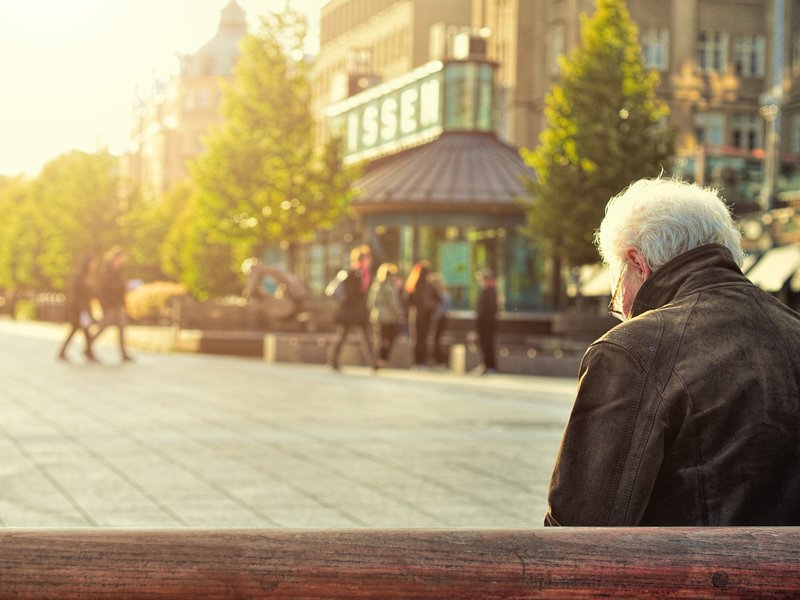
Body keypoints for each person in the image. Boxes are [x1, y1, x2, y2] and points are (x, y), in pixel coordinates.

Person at [545, 177, 800, 527]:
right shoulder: (792, 328)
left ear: (638, 264)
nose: (620, 305)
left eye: (617, 284)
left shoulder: (632, 350)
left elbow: (580, 527)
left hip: (688, 579)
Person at [328, 245, 377, 371]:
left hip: (359, 311)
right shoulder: (354, 273)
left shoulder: (365, 274)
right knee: (344, 336)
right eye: (367, 258)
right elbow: (350, 293)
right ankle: (333, 361)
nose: (369, 261)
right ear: (362, 259)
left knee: (366, 337)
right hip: (350, 311)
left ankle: (373, 363)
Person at [91, 246, 133, 362]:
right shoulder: (106, 270)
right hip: (109, 305)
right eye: (121, 259)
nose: (122, 261)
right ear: (116, 258)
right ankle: (88, 345)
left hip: (118, 304)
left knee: (121, 327)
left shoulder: (119, 271)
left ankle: (123, 353)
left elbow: (120, 288)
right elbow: (105, 288)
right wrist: (122, 286)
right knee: (103, 327)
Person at [57, 254, 99, 363]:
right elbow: (76, 294)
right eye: (93, 263)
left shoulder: (87, 276)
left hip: (83, 309)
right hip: (79, 309)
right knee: (79, 330)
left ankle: (87, 352)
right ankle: (88, 353)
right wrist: (82, 309)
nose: (94, 265)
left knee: (83, 331)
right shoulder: (80, 276)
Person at [404, 260, 441, 368]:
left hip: (417, 314)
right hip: (425, 315)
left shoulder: (413, 284)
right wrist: (431, 306)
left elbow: (407, 300)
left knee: (418, 338)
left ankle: (417, 361)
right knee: (423, 338)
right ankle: (421, 361)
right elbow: (439, 299)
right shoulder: (426, 285)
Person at [367, 262, 405, 367]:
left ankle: (378, 359)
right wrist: (400, 313)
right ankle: (383, 360)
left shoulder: (376, 285)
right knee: (389, 338)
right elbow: (394, 303)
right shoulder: (390, 286)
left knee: (380, 338)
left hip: (377, 316)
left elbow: (371, 302)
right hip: (389, 317)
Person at [475, 269, 498, 374]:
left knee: (487, 344)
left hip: (488, 324)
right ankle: (486, 365)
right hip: (484, 323)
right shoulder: (486, 292)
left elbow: (489, 310)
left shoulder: (491, 292)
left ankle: (490, 366)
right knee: (484, 344)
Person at [428, 272, 450, 367]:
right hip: (441, 318)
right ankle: (437, 360)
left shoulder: (441, 294)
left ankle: (439, 360)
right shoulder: (443, 293)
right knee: (437, 339)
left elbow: (442, 308)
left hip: (440, 319)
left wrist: (435, 316)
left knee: (437, 339)